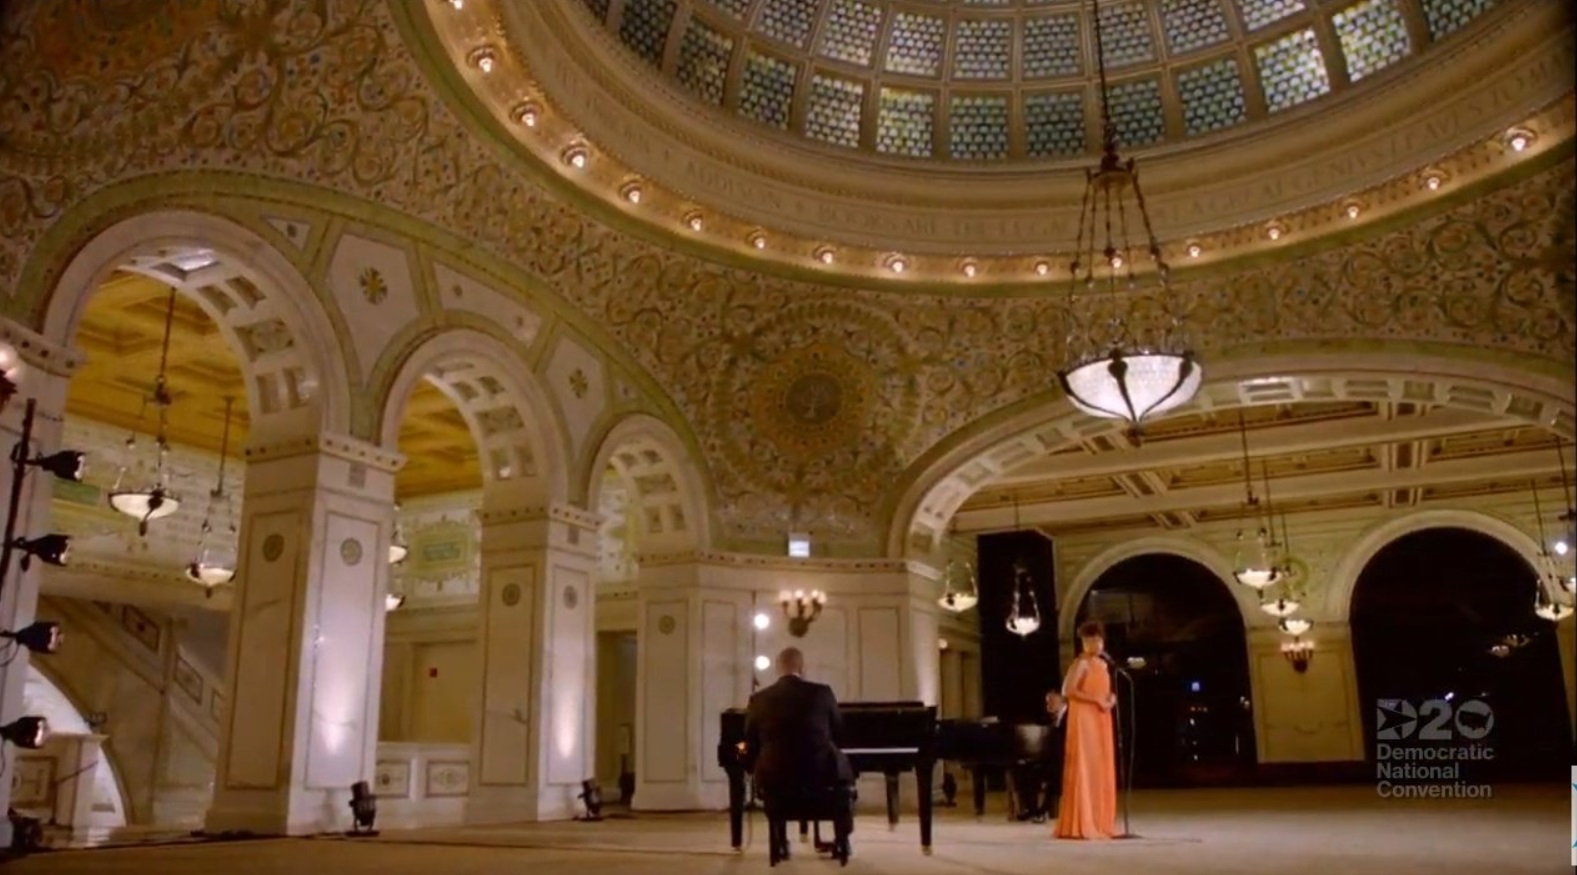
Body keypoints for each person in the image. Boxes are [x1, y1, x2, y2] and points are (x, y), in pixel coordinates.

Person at [744, 647, 854, 860]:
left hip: (776, 777)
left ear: (777, 668)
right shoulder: (823, 693)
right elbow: (840, 732)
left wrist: (748, 764)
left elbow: (747, 741)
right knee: (844, 776)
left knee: (769, 766)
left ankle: (780, 841)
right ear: (802, 668)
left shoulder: (759, 699)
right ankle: (843, 837)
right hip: (819, 776)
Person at [1054, 621, 1117, 840]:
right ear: (1083, 642)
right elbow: (1068, 690)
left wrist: (1110, 699)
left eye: (1099, 640)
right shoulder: (1081, 663)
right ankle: (1082, 821)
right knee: (1086, 764)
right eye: (1091, 640)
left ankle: (1100, 820)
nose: (1096, 644)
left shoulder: (1103, 664)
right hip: (1085, 717)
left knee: (1100, 766)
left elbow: (1105, 690)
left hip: (1101, 716)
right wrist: (1096, 699)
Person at [1009, 691, 1067, 822]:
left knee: (1054, 776)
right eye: (1047, 702)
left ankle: (1043, 811)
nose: (1049, 705)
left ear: (1061, 701)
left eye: (1051, 702)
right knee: (1025, 772)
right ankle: (1032, 810)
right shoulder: (1048, 718)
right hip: (1051, 759)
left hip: (1065, 759)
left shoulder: (1070, 715)